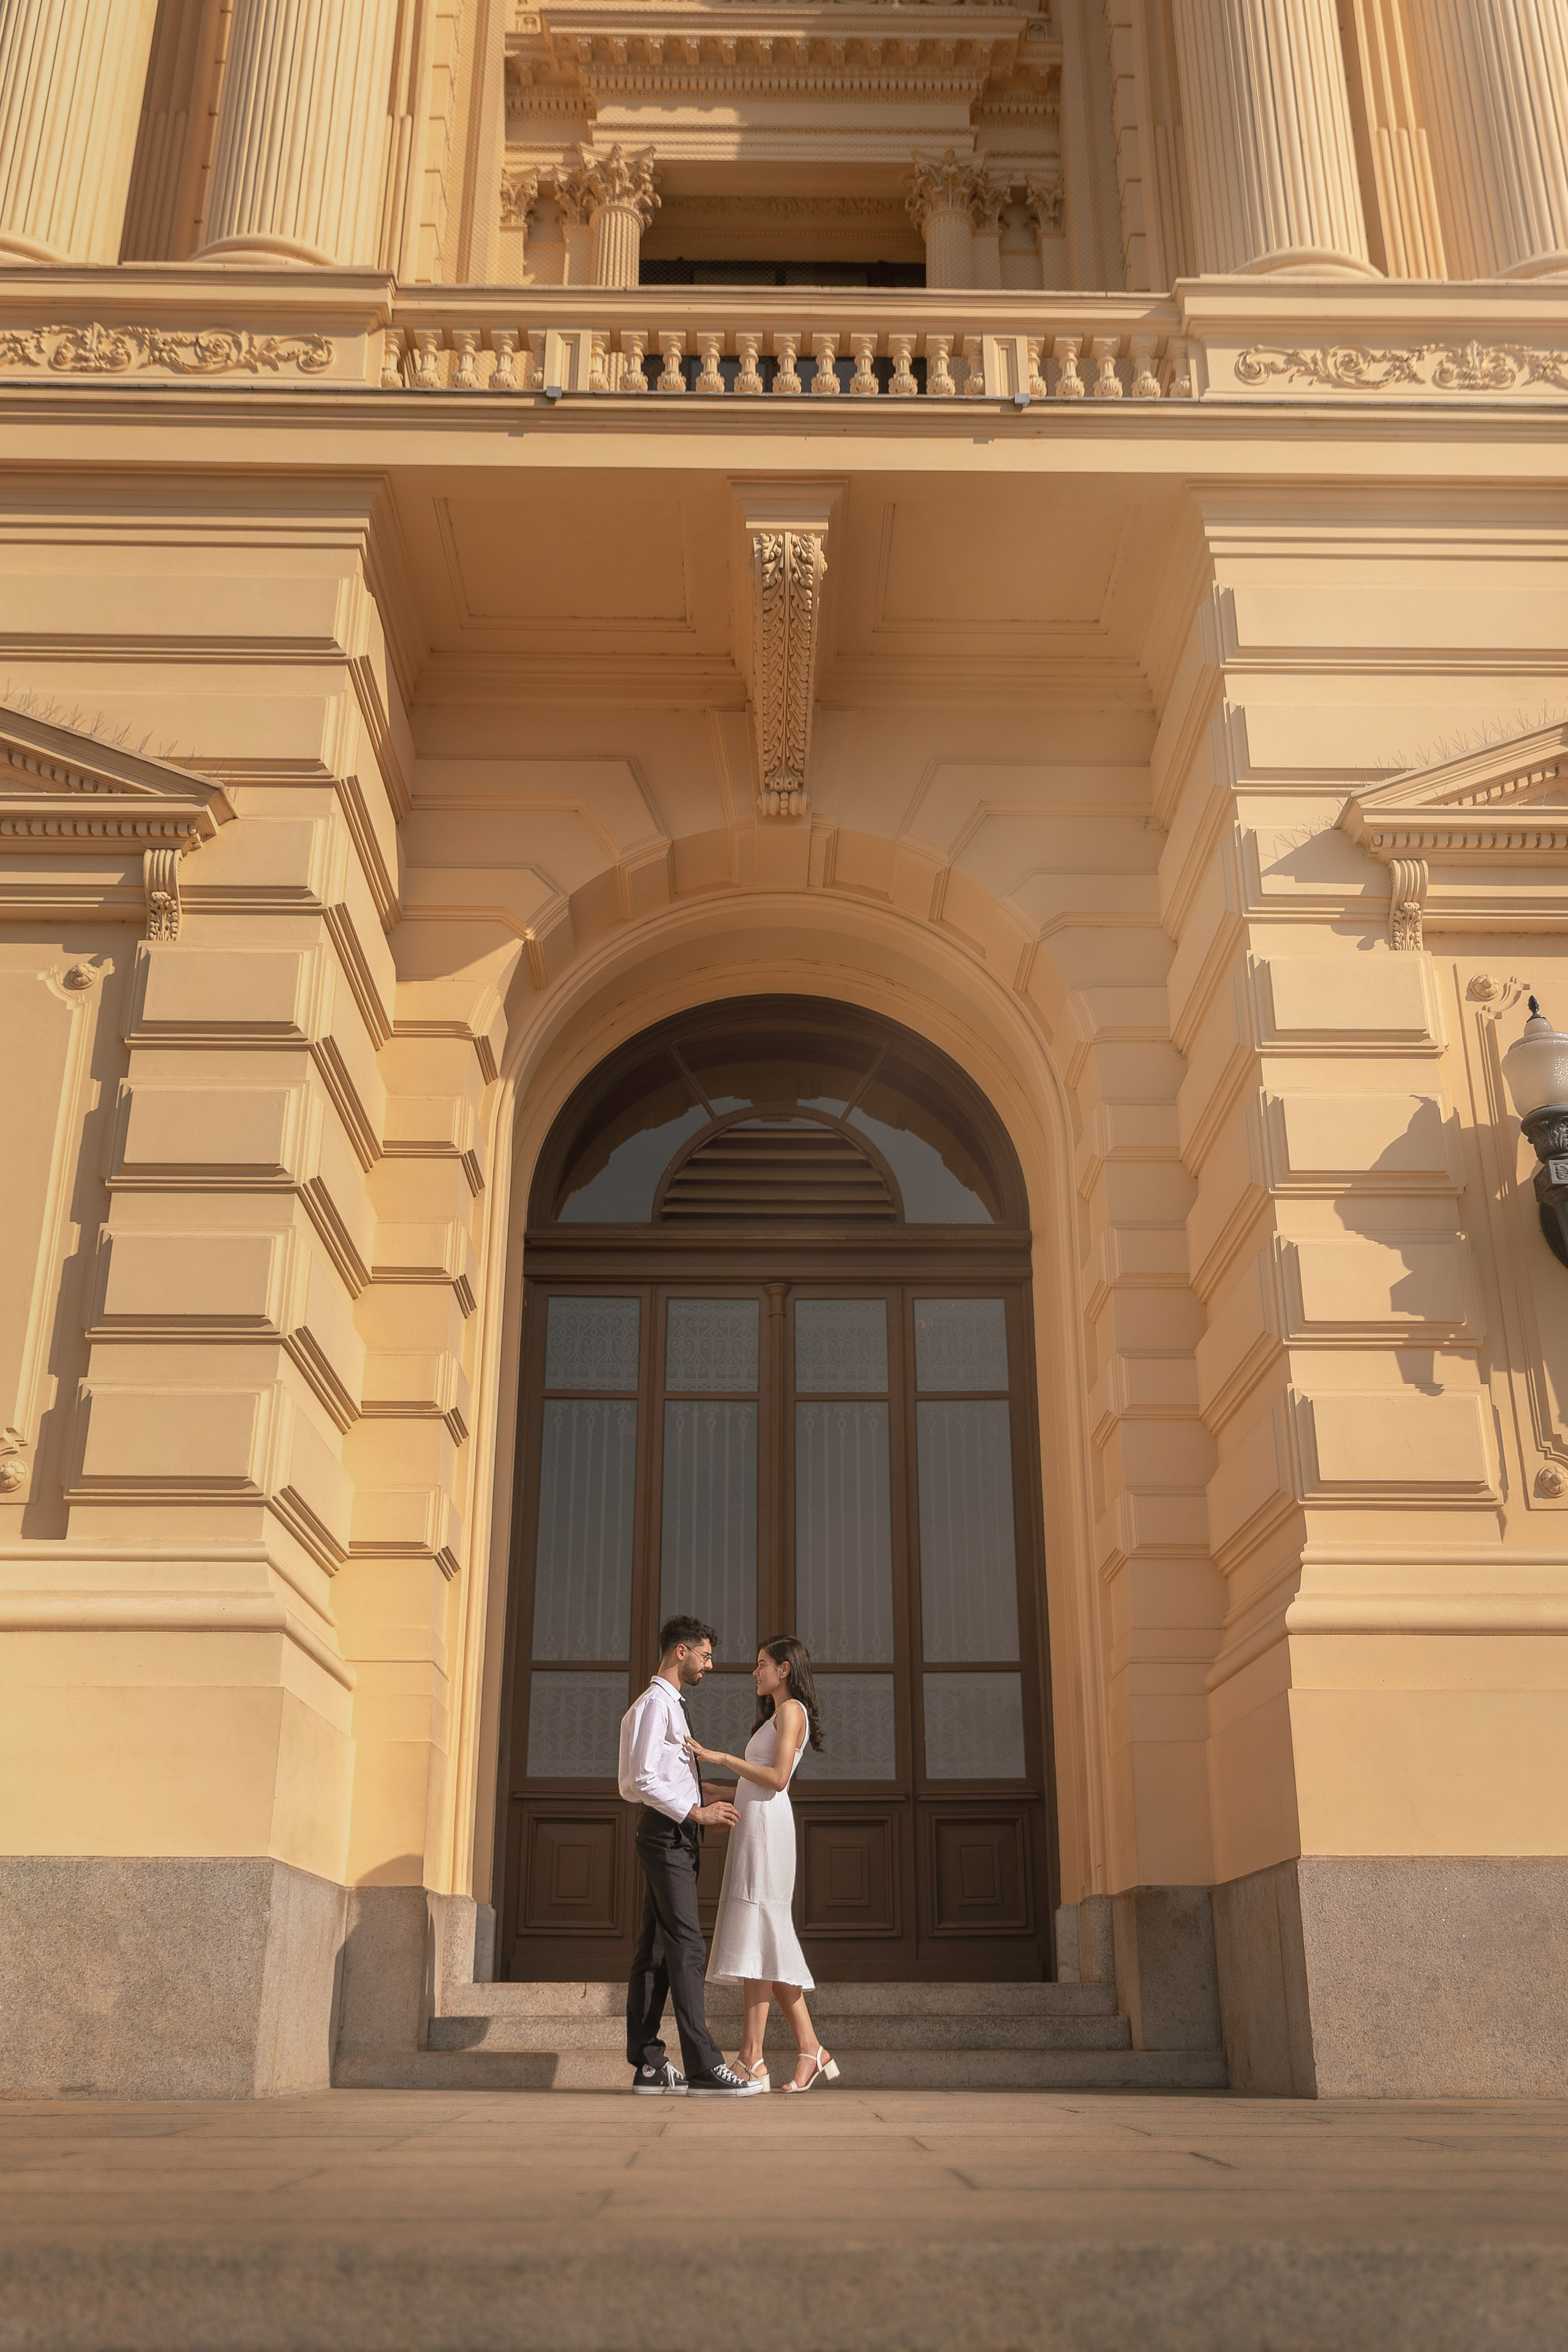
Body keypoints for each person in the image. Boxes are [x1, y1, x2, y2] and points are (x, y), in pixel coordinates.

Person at [685, 1635, 841, 2095]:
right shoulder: (777, 1715)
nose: (755, 1672)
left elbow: (776, 1779)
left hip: (769, 1833)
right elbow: (757, 1785)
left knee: (765, 1933)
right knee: (759, 1939)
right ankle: (783, 2053)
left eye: (762, 1664)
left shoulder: (791, 1711)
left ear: (784, 1669)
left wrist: (722, 1758)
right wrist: (719, 1790)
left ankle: (768, 2055)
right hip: (753, 1828)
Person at [619, 1615, 766, 2097]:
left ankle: (649, 2065)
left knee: (657, 1951)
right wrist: (695, 1813)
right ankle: (704, 2067)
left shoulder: (669, 1706)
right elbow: (641, 1779)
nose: (710, 1665)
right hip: (666, 1835)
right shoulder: (655, 1706)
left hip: (672, 1832)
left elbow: (663, 1778)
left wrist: (701, 1807)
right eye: (705, 1655)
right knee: (688, 1945)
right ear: (680, 1652)